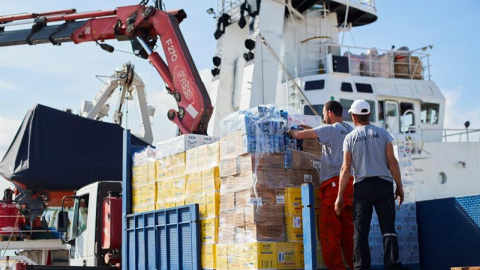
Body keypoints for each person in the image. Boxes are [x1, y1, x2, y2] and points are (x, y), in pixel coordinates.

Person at [335, 99, 404, 270]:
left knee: (360, 232)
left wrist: (339, 196)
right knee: (388, 229)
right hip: (383, 186)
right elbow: (392, 162)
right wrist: (399, 186)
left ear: (353, 116)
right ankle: (392, 265)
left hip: (362, 188)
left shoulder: (349, 138)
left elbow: (345, 168)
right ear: (369, 114)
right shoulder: (383, 133)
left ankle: (360, 267)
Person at [288, 100, 354, 270]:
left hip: (333, 186)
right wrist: (310, 128)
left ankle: (337, 267)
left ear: (330, 113)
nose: (323, 117)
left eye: (324, 114)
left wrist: (289, 130)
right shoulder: (351, 131)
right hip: (350, 186)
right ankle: (356, 265)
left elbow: (298, 136)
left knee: (330, 232)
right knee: (349, 231)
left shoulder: (330, 129)